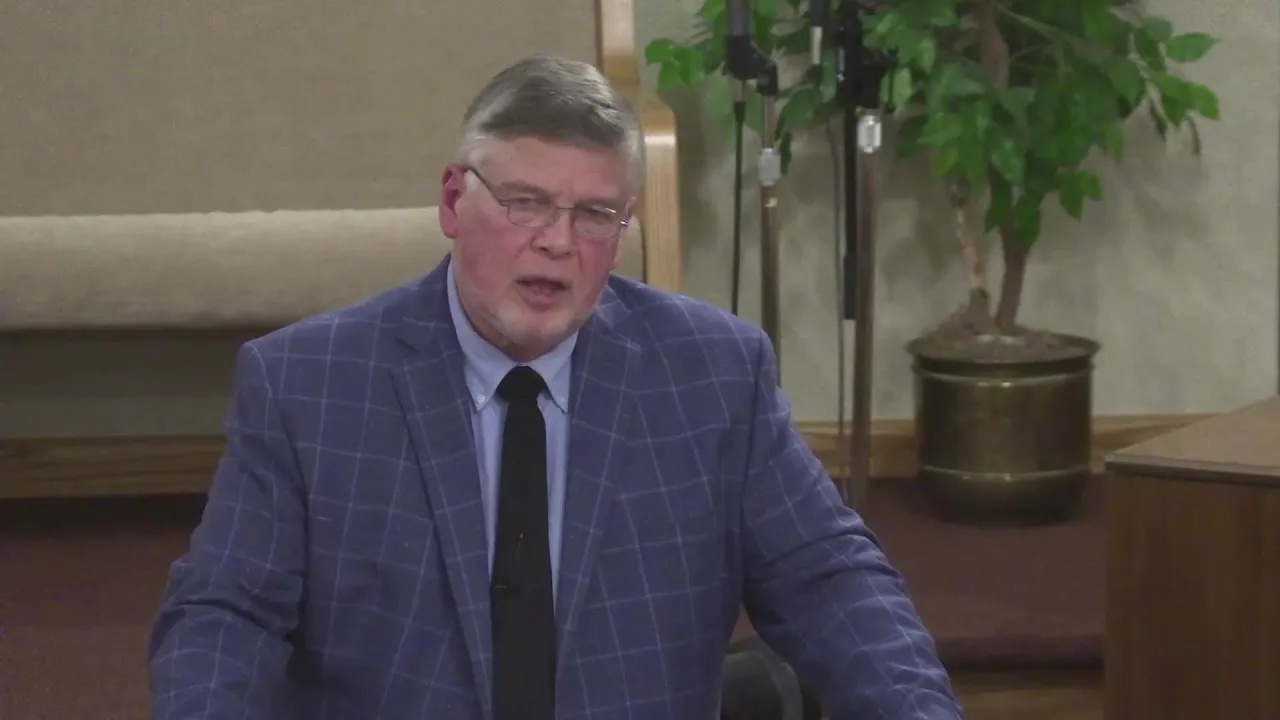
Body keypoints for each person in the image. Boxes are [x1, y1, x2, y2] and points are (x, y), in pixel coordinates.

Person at [148, 54, 961, 720]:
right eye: (525, 204)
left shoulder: (714, 373)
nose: (558, 243)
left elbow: (828, 581)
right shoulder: (309, 384)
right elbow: (226, 614)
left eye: (595, 215)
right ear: (453, 201)